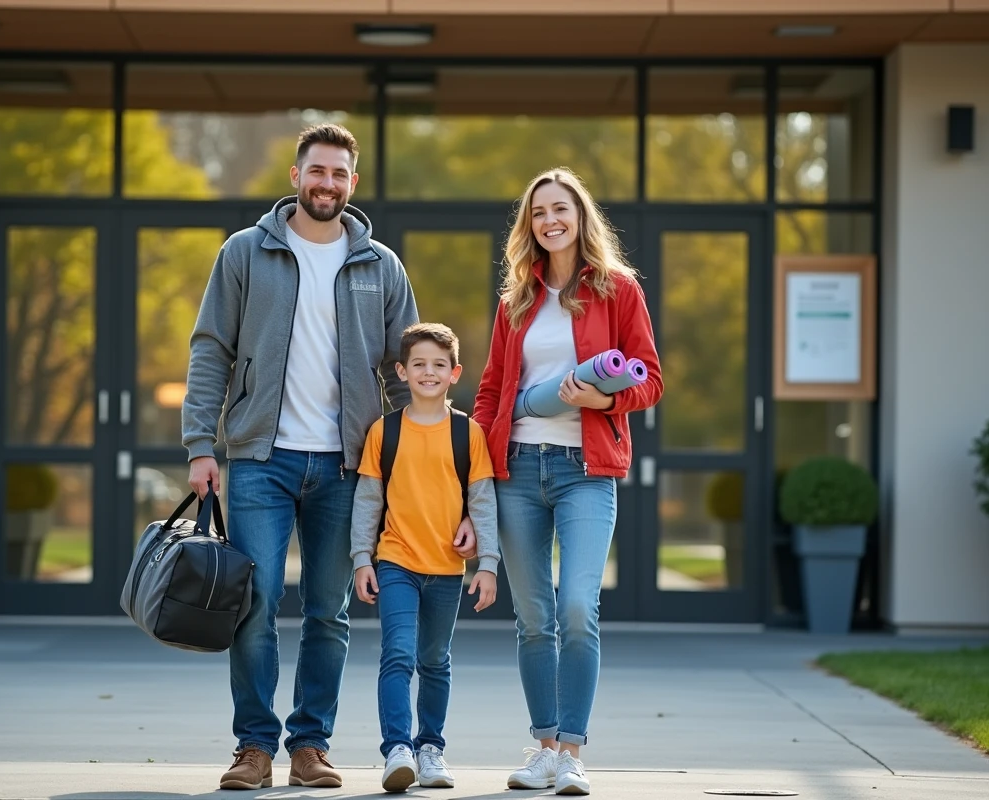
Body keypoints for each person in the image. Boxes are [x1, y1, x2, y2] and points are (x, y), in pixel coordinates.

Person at [182, 124, 476, 790]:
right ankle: (254, 746)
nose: (327, 183)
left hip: (348, 466)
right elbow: (210, 351)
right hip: (262, 458)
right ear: (295, 176)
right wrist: (203, 445)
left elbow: (409, 376)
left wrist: (419, 467)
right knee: (255, 601)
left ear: (353, 183)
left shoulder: (380, 265)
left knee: (328, 609)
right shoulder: (245, 253)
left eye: (339, 174)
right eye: (317, 171)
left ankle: (310, 743)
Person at [473, 168, 664, 796]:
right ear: (528, 226)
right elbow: (493, 392)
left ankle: (574, 753)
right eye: (537, 213)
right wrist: (469, 467)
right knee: (534, 618)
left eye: (560, 209)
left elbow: (650, 381)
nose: (549, 221)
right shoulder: (516, 301)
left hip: (587, 471)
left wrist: (603, 402)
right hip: (519, 471)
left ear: (581, 216)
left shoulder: (619, 290)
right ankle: (544, 746)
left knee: (579, 607)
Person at [350, 322, 500, 793]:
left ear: (454, 373)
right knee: (397, 655)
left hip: (447, 569)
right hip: (396, 561)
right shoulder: (384, 431)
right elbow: (368, 500)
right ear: (402, 370)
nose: (428, 372)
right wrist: (361, 558)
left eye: (439, 365)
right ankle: (397, 749)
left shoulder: (468, 434)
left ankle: (430, 747)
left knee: (435, 660)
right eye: (418, 364)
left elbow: (482, 501)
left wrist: (489, 562)